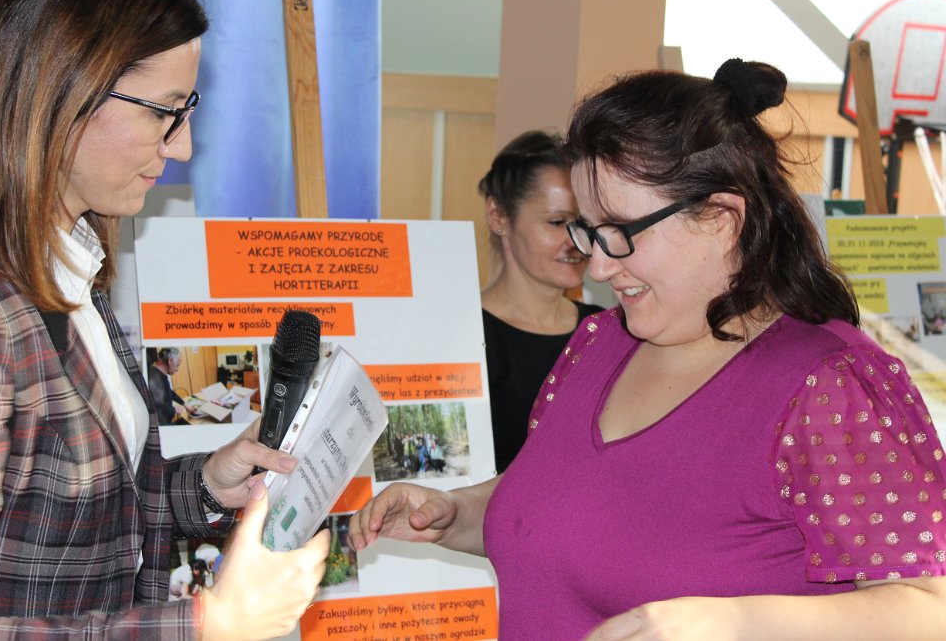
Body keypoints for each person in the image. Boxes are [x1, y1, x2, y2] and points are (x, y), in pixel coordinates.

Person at [349, 58, 946, 640]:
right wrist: (458, 513)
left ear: (722, 218)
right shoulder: (600, 343)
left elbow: (929, 608)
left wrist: (737, 623)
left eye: (621, 232)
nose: (599, 265)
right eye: (589, 230)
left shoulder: (829, 384)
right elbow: (563, 514)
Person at [0, 0, 328, 639]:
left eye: (188, 109)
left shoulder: (76, 269)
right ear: (62, 92)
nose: (181, 146)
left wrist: (206, 483)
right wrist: (208, 624)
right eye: (163, 111)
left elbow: (82, 518)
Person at [478, 130, 604, 472]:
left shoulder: (605, 330)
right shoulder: (466, 337)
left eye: (586, 224)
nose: (576, 241)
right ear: (499, 217)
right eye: (557, 222)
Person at [149, 347, 191, 425]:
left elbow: (169, 391)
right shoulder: (156, 380)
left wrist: (184, 403)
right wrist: (175, 410)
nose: (177, 369)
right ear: (170, 361)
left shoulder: (156, 372)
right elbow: (160, 412)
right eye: (177, 365)